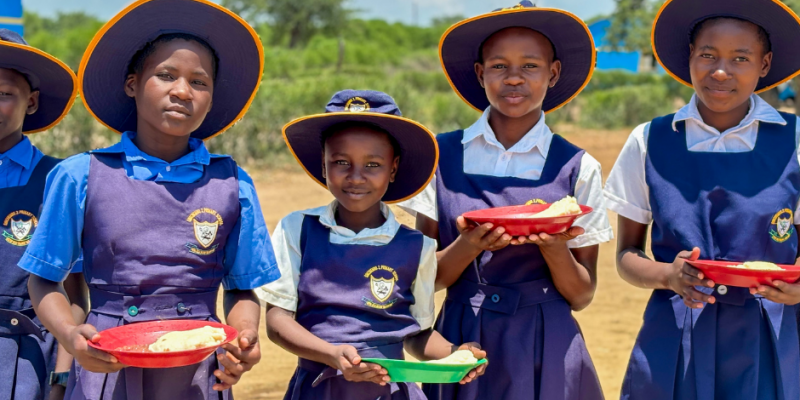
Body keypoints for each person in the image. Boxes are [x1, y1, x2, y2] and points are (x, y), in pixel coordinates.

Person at [18, 1, 280, 398]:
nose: (182, 91)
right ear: (132, 84)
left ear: (211, 98)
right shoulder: (80, 176)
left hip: (199, 370)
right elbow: (43, 278)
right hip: (106, 364)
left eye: (199, 82)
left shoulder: (233, 183)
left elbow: (242, 288)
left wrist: (243, 338)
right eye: (166, 75)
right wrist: (72, 336)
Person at [397, 2, 611, 399]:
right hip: (461, 338)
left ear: (554, 73)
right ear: (481, 74)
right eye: (499, 66)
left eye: (530, 66)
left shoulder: (578, 167)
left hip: (546, 336)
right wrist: (468, 245)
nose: (514, 78)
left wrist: (554, 247)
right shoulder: (439, 159)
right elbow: (423, 282)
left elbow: (582, 294)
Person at [604, 0, 800, 398]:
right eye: (707, 55)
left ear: (765, 65)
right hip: (675, 333)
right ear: (689, 57)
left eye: (741, 57)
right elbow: (626, 254)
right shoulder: (649, 140)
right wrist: (668, 277)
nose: (721, 71)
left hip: (772, 335)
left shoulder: (795, 140)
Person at [259, 90, 487, 400]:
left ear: (393, 168)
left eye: (372, 165)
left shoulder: (416, 246)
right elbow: (277, 322)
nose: (356, 177)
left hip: (391, 393)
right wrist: (332, 355)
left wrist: (455, 352)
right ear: (324, 166)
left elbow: (416, 335)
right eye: (341, 162)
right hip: (320, 389)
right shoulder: (297, 229)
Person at [0, 28, 83, 400]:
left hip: (26, 361)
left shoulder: (58, 180)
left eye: (3, 94)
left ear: (31, 102)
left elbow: (73, 293)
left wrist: (60, 378)